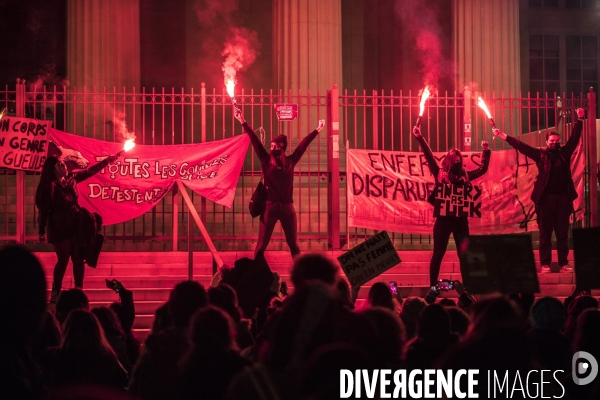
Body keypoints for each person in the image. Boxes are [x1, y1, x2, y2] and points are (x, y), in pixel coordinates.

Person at [493, 107, 585, 273]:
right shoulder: (541, 155)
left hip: (562, 199)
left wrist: (579, 120)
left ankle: (564, 263)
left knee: (563, 234)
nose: (555, 143)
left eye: (557, 141)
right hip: (546, 200)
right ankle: (545, 264)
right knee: (545, 235)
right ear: (546, 142)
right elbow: (522, 146)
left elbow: (574, 139)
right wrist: (503, 136)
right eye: (552, 141)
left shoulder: (565, 152)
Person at [234, 108, 325, 258]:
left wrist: (317, 130)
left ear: (282, 148)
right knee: (261, 245)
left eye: (276, 146)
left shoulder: (289, 161)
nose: (273, 149)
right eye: (271, 146)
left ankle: (301, 278)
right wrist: (243, 121)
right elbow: (255, 141)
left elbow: (303, 145)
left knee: (293, 244)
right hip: (270, 207)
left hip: (286, 208)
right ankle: (254, 278)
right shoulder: (266, 160)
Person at [413, 126, 491, 299]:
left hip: (460, 220)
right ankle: (433, 288)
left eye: (458, 160)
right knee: (438, 253)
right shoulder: (440, 173)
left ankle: (467, 290)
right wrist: (420, 138)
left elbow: (482, 170)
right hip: (443, 219)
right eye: (453, 160)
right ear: (448, 161)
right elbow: (429, 156)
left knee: (464, 255)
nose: (456, 163)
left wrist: (486, 151)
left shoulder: (465, 175)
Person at [36, 154, 119, 303]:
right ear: (52, 170)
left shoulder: (71, 179)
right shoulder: (49, 186)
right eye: (60, 165)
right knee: (63, 259)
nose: (64, 167)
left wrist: (108, 160)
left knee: (78, 259)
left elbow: (90, 171)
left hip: (76, 224)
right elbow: (44, 210)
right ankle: (56, 294)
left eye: (63, 164)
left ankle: (79, 292)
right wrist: (41, 230)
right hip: (59, 227)